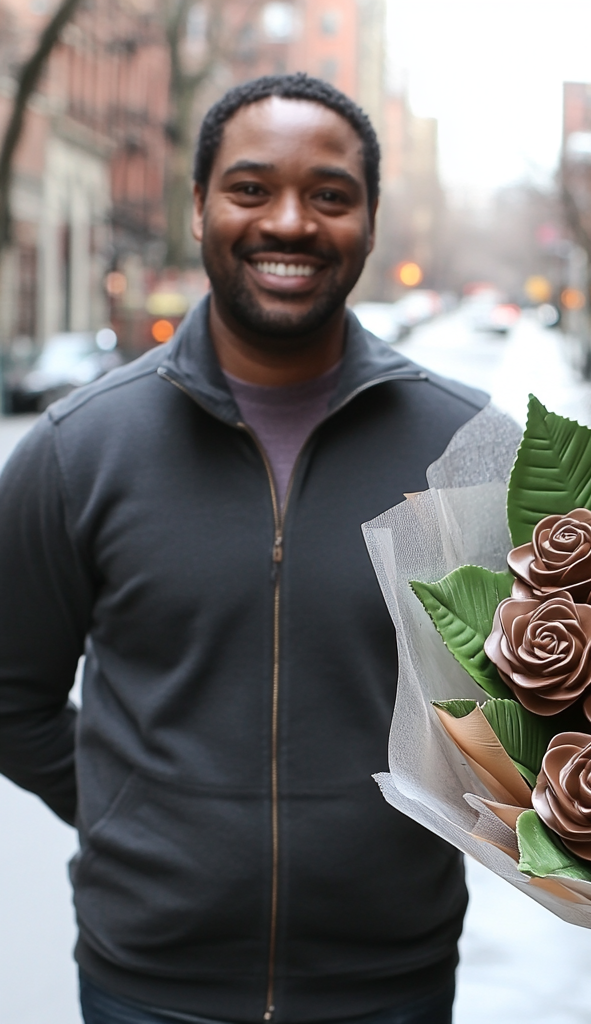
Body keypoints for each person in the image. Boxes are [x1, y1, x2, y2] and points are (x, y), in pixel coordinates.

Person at [0, 74, 484, 1024]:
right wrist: (128, 810)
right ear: (199, 208)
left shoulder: (466, 452)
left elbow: (541, 712)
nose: (291, 223)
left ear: (372, 221)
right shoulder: (76, 449)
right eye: (252, 188)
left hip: (390, 984)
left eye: (331, 195)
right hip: (147, 986)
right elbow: (10, 691)